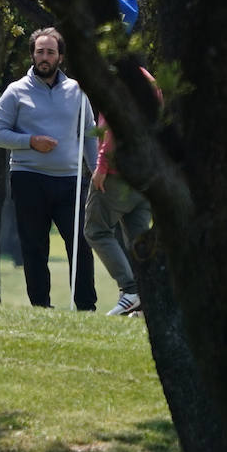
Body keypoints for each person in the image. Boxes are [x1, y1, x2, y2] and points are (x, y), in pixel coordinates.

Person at [0, 27, 97, 310]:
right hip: (29, 179)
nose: (45, 57)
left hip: (70, 181)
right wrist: (31, 142)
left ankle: (86, 307)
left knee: (80, 245)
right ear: (32, 55)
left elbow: (88, 134)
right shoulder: (15, 92)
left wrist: (96, 169)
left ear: (60, 56)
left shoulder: (77, 91)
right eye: (40, 52)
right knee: (34, 247)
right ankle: (41, 306)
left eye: (50, 52)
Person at [85, 59, 160, 317]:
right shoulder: (147, 79)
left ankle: (130, 291)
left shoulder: (120, 80)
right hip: (145, 175)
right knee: (139, 243)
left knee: (96, 230)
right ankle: (148, 301)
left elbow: (115, 127)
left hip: (118, 172)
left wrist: (102, 165)